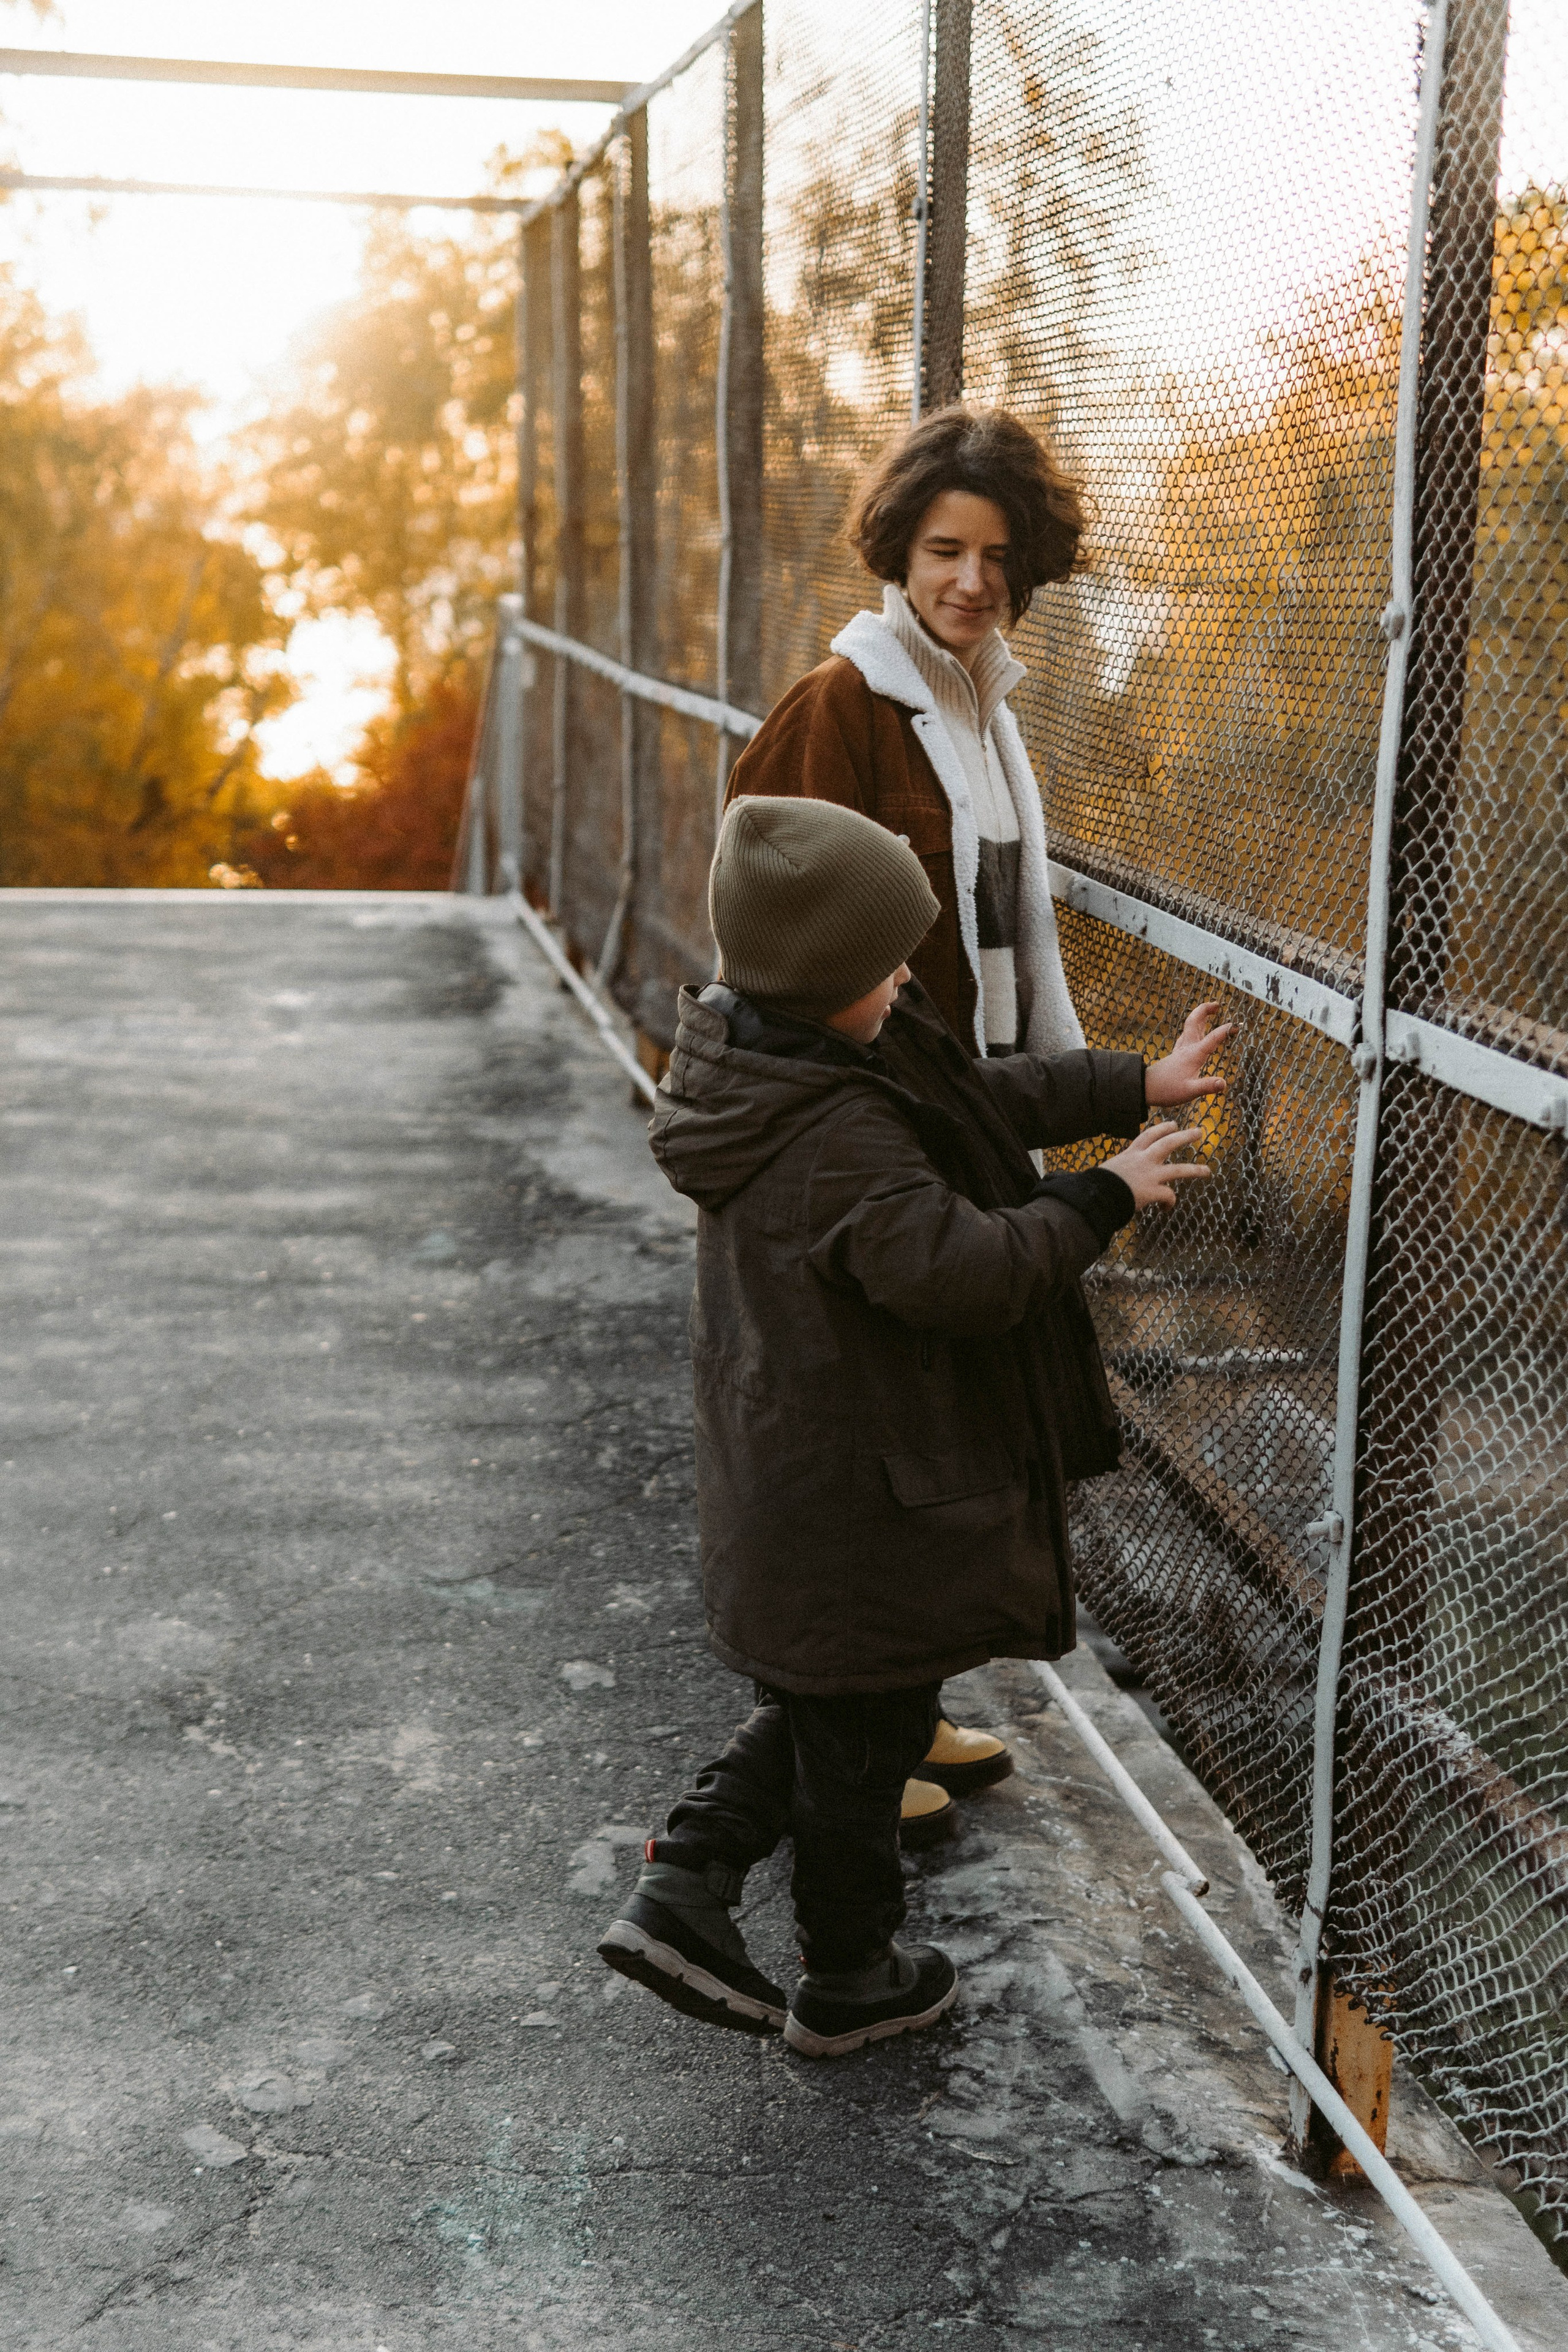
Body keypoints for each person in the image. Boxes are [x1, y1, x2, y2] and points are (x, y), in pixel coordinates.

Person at [598, 796, 1229, 2057]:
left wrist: (1124, 1083)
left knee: (854, 1706)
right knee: (853, 1735)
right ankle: (849, 1973)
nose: (903, 974)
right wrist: (1099, 1196)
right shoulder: (830, 1137)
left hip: (830, 1463)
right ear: (823, 976)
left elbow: (972, 1100)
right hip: (846, 1484)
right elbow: (967, 1272)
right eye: (885, 960)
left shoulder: (800, 1058)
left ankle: (689, 1878)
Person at [723, 404, 1090, 1823]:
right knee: (866, 1458)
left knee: (940, 1442)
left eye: (997, 557)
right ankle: (839, 1756)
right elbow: (771, 945)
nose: (970, 582)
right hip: (875, 1128)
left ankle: (907, 1708)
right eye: (945, 550)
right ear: (899, 550)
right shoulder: (843, 707)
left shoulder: (983, 708)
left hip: (963, 1105)